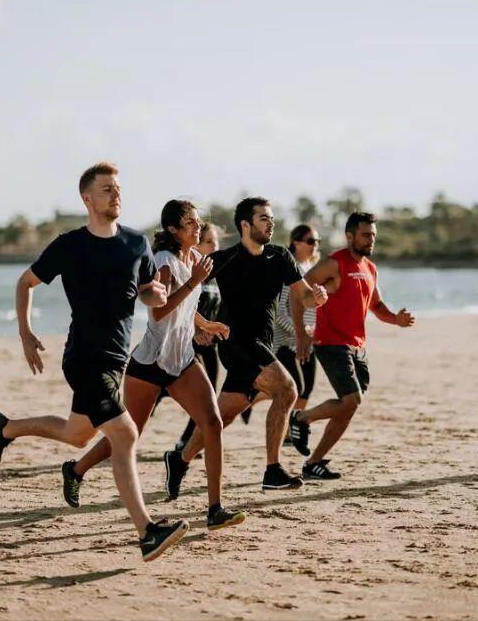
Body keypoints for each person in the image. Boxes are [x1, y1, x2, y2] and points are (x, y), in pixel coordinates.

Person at [0, 162, 190, 561]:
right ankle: (147, 532)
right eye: (107, 189)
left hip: (115, 359)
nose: (116, 194)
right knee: (125, 434)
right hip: (84, 357)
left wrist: (157, 295)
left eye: (118, 188)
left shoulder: (136, 243)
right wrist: (25, 332)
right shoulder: (70, 245)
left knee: (77, 435)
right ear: (87, 198)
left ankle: (5, 427)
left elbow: (147, 291)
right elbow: (26, 282)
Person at [62, 201, 246, 531]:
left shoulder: (194, 259)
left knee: (212, 423)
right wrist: (193, 283)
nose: (197, 227)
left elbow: (185, 308)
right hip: (149, 363)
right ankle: (76, 470)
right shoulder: (163, 261)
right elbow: (159, 311)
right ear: (174, 230)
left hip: (182, 360)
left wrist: (205, 324)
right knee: (128, 433)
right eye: (190, 223)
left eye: (197, 221)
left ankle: (215, 509)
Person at [164, 197, 328, 497]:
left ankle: (179, 459)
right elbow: (183, 292)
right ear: (245, 224)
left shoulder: (280, 256)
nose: (270, 223)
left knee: (222, 417)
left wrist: (316, 298)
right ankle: (273, 470)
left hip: (262, 343)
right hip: (236, 343)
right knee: (287, 389)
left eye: (271, 218)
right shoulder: (224, 259)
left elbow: (303, 295)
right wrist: (200, 325)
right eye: (264, 218)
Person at [287, 212, 415, 480]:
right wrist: (301, 335)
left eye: (374, 235)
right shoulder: (333, 263)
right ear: (350, 236)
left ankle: (313, 463)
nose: (371, 240)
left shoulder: (370, 268)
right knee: (351, 400)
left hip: (357, 346)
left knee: (349, 407)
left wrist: (396, 319)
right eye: (366, 235)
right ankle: (301, 418)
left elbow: (376, 305)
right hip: (331, 343)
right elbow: (297, 294)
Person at [173, 222, 224, 452]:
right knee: (159, 393)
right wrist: (196, 330)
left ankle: (186, 441)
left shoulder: (215, 275)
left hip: (209, 346)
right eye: (209, 242)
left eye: (216, 241)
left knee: (208, 396)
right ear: (197, 245)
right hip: (187, 344)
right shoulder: (191, 273)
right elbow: (178, 305)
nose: (215, 247)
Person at [271, 224, 322, 439]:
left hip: (308, 339)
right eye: (310, 241)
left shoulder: (314, 269)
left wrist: (314, 332)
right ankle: (252, 401)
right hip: (286, 342)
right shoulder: (289, 269)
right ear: (296, 242)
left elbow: (316, 307)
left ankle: (292, 430)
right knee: (295, 387)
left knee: (307, 388)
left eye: (317, 241)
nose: (315, 245)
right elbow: (279, 311)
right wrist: (298, 331)